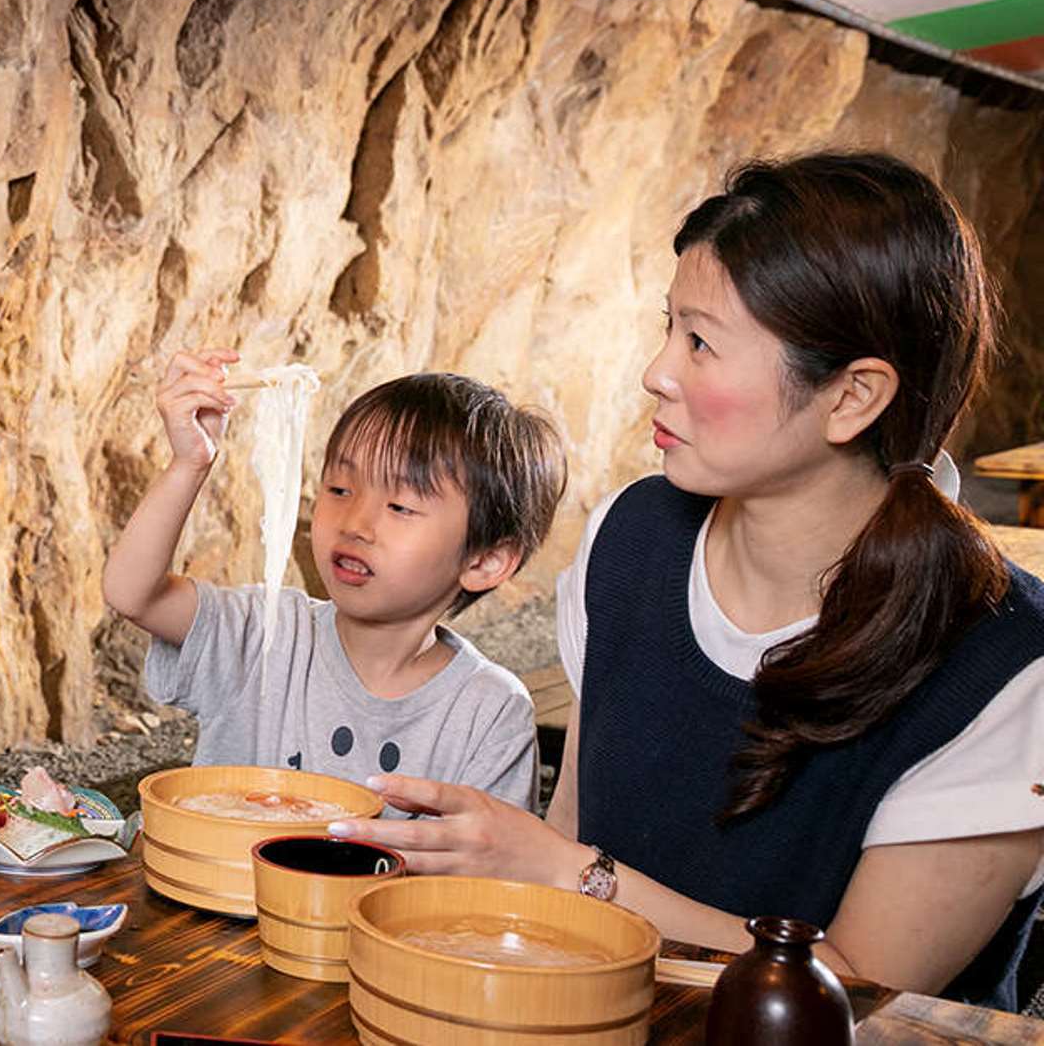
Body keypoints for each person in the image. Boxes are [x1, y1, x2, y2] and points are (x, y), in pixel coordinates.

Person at [327, 153, 1044, 1009]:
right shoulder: (632, 539)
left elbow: (863, 994)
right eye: (668, 326)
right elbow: (572, 848)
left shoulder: (1005, 666)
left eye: (700, 341)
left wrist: (572, 874)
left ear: (853, 396)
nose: (657, 372)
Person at [103, 363, 565, 810]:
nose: (356, 524)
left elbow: (485, 874)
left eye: (400, 506)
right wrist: (190, 463)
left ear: (484, 562)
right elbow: (134, 593)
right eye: (340, 489)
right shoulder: (266, 633)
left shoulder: (488, 711)